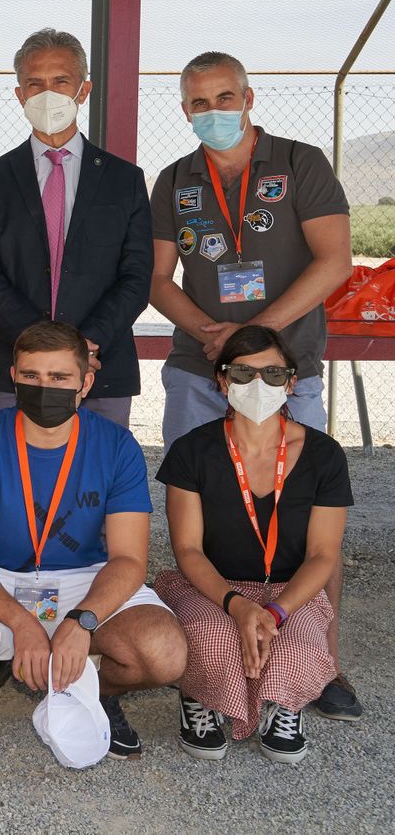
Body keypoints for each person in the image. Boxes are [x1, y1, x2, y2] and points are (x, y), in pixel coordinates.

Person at [149, 49, 357, 720]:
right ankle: (206, 659)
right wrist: (212, 332)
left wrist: (254, 335)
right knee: (197, 515)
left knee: (311, 520)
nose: (214, 111)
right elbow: (157, 278)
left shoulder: (301, 164)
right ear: (185, 110)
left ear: (249, 97)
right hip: (198, 370)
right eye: (199, 102)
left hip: (284, 371)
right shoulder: (174, 179)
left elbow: (335, 260)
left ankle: (323, 663)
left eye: (224, 96)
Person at [0, 321, 187, 757]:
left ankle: (94, 687)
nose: (44, 387)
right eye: (31, 376)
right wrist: (22, 623)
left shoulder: (118, 445)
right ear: (13, 376)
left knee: (164, 653)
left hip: (86, 579)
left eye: (59, 378)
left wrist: (81, 622)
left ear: (85, 382)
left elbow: (129, 560)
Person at [154, 325, 351, 764]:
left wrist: (276, 611)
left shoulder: (325, 455)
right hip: (213, 587)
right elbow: (188, 551)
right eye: (243, 374)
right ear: (223, 382)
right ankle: (199, 698)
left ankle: (284, 704)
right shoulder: (192, 450)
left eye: (273, 375)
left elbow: (322, 555)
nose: (258, 385)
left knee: (296, 645)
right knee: (211, 637)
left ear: (292, 383)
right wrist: (238, 605)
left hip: (290, 590)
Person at [0, 28, 152, 428]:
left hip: (100, 370)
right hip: (11, 366)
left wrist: (84, 346)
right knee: (10, 481)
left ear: (84, 90)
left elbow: (136, 276)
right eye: (35, 83)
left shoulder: (125, 179)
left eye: (61, 81)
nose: (47, 93)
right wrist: (43, 348)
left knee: (96, 482)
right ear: (20, 95)